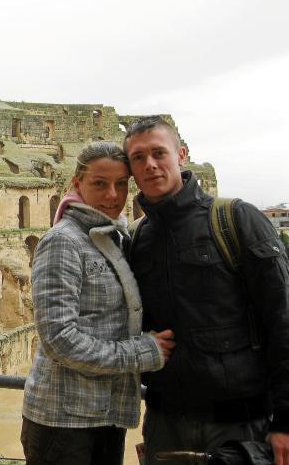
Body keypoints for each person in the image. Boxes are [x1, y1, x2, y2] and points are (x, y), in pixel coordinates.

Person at [123, 116, 289, 465]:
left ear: (181, 154)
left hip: (240, 426)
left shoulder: (236, 219)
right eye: (138, 157)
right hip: (165, 422)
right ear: (132, 169)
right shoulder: (138, 238)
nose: (150, 164)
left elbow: (283, 319)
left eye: (158, 153)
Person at [21, 141, 175, 465]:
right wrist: (142, 352)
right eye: (100, 184)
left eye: (121, 184)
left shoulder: (111, 237)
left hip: (104, 414)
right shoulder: (63, 241)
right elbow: (59, 339)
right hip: (63, 421)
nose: (113, 195)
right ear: (77, 183)